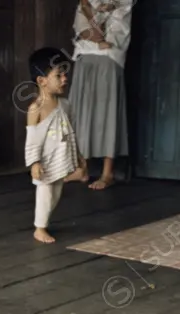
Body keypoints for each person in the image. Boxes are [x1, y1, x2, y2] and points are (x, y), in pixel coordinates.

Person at [26, 48, 87, 244]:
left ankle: (44, 220)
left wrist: (77, 154)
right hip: (45, 160)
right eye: (58, 75)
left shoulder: (65, 105)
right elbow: (33, 138)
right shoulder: (36, 108)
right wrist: (34, 162)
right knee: (45, 192)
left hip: (61, 157)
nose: (64, 79)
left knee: (56, 194)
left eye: (65, 74)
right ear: (41, 81)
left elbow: (70, 132)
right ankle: (39, 228)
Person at [71, 0, 134, 190]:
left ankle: (108, 173)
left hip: (109, 61)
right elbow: (85, 34)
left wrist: (90, 13)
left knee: (107, 113)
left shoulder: (124, 4)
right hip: (85, 60)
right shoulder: (86, 2)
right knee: (81, 111)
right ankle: (82, 168)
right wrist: (89, 11)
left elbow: (103, 37)